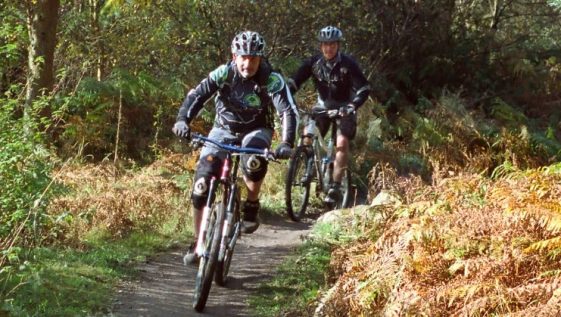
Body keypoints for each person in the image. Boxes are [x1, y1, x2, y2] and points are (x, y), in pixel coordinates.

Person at [172, 31, 298, 264]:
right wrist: (182, 120)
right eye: (243, 57)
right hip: (223, 129)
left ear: (260, 58)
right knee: (201, 184)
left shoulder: (271, 79)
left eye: (253, 58)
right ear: (234, 56)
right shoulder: (224, 73)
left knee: (254, 162)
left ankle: (251, 203)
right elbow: (197, 95)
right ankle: (198, 241)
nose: (247, 63)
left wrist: (286, 142)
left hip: (256, 130)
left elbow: (287, 111)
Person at [288, 26, 370, 205]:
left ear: (338, 45)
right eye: (325, 44)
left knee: (341, 143)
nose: (328, 48)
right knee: (307, 136)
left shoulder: (348, 64)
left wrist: (352, 106)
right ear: (321, 46)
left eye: (332, 44)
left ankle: (335, 185)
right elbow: (295, 81)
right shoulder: (314, 63)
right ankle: (306, 168)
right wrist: (287, 96)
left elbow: (364, 88)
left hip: (344, 109)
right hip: (323, 108)